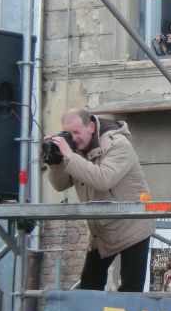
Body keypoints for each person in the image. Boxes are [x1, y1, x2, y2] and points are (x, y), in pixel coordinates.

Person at [46, 108, 155, 292]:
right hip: (101, 231)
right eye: (68, 133)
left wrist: (71, 156)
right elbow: (60, 185)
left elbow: (103, 179)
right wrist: (55, 161)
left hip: (133, 226)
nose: (73, 138)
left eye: (76, 132)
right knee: (89, 286)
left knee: (130, 291)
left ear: (90, 126)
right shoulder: (77, 149)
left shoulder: (118, 144)